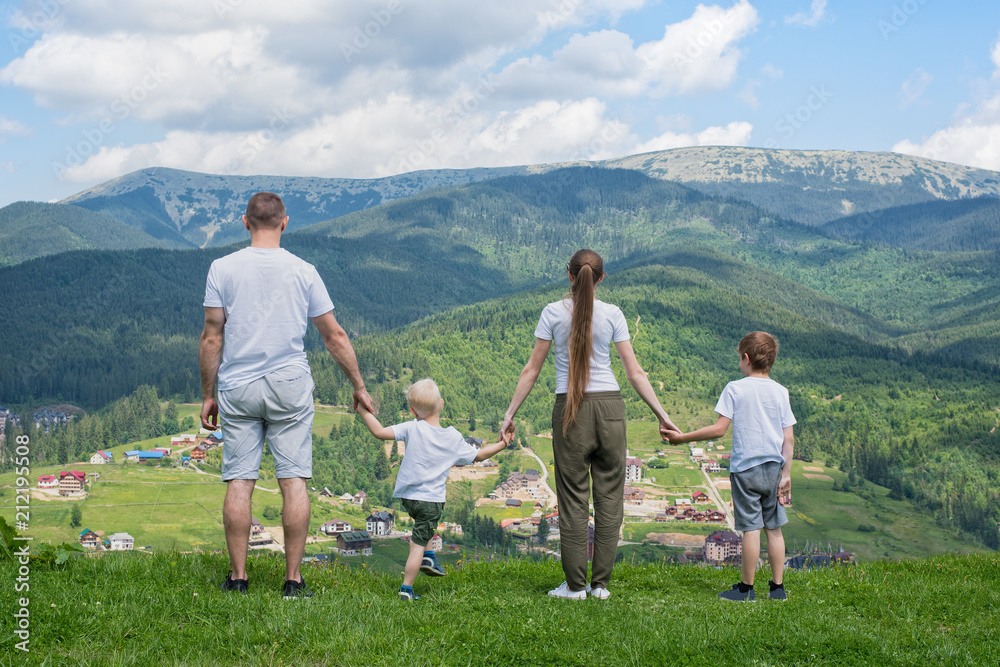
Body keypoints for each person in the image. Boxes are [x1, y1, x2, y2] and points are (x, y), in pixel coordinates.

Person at [199, 191, 372, 599]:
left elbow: (211, 338)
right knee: (293, 480)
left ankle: (238, 578)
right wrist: (358, 386)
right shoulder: (303, 270)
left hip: (238, 386)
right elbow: (334, 336)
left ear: (245, 222)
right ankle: (293, 581)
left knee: (239, 480)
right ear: (285, 222)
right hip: (290, 384)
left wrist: (208, 394)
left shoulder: (222, 268)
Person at [500, 249, 677, 600]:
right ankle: (600, 586)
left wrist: (510, 413)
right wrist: (662, 414)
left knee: (573, 499)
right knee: (610, 497)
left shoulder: (552, 312)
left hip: (571, 409)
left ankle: (575, 586)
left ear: (569, 275)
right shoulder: (613, 314)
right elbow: (634, 372)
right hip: (611, 407)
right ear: (601, 277)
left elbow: (531, 370)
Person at [663, 331, 795, 601]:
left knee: (750, 529)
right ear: (771, 361)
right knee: (774, 529)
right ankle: (778, 589)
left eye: (739, 359)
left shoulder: (735, 388)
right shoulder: (781, 392)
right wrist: (786, 474)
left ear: (746, 359)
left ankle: (746, 589)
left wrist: (683, 438)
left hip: (745, 470)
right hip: (773, 468)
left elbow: (719, 430)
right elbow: (789, 437)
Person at [357, 378, 511, 600]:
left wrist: (363, 411)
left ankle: (429, 556)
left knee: (423, 528)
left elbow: (379, 431)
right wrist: (502, 444)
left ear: (413, 411)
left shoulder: (412, 427)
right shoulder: (452, 437)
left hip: (408, 498)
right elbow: (479, 455)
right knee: (416, 544)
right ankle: (407, 588)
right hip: (431, 502)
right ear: (442, 404)